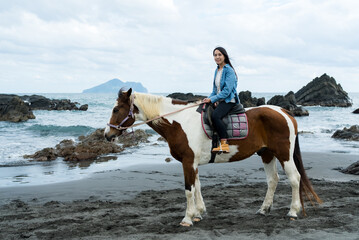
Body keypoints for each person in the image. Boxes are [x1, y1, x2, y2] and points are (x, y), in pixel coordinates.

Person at [203, 47, 239, 153]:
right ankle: (213, 142)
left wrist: (213, 99)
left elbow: (227, 92)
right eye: (215, 55)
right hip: (219, 100)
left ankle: (224, 143)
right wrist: (209, 99)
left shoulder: (229, 71)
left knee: (216, 116)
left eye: (219, 55)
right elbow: (215, 90)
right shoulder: (217, 70)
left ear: (224, 56)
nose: (217, 57)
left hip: (229, 100)